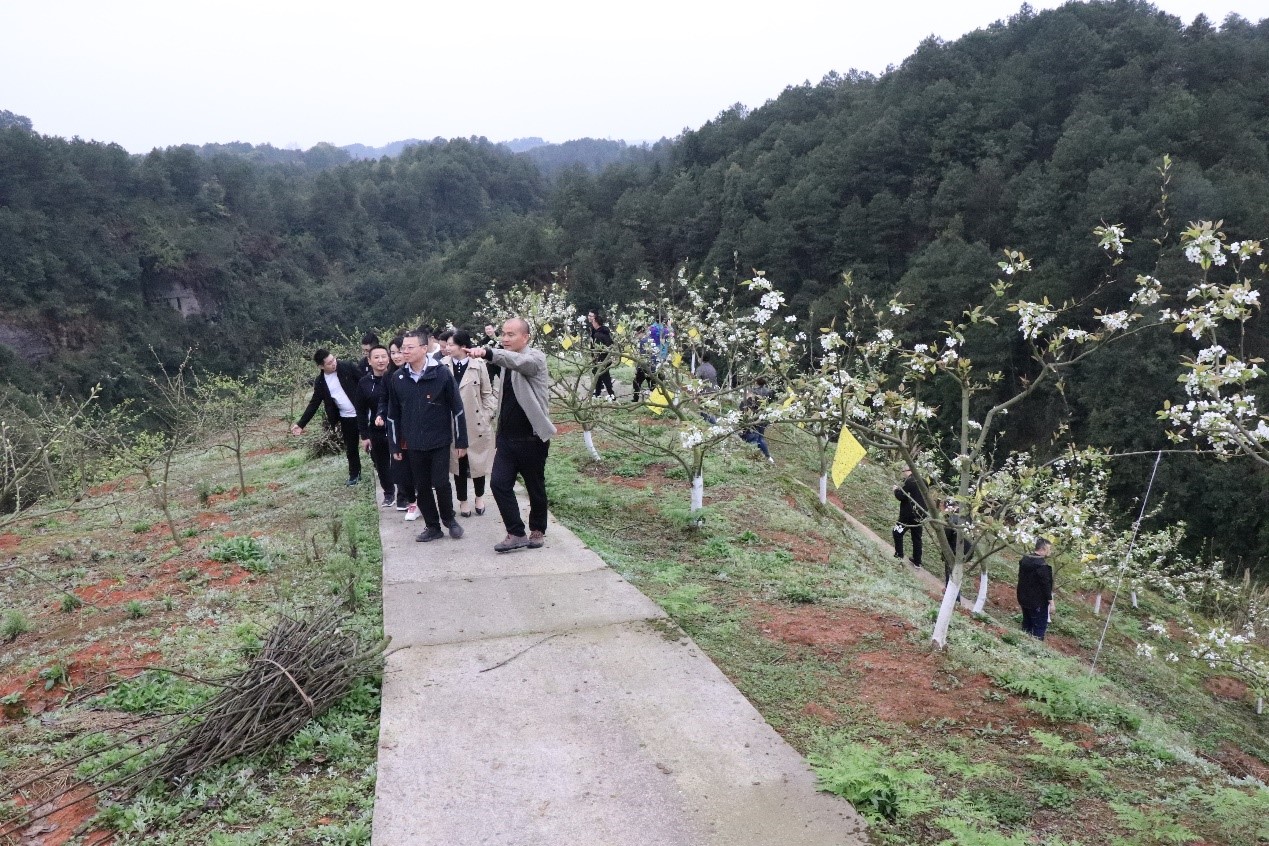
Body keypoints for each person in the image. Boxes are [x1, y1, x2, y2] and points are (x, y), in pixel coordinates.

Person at [469, 318, 556, 553]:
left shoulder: (535, 358)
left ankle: (537, 529)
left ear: (526, 337)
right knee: (498, 484)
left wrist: (488, 352)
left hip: (532, 438)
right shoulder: (506, 362)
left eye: (511, 334)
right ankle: (516, 532)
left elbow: (519, 362)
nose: (505, 339)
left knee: (535, 486)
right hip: (507, 438)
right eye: (503, 334)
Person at [384, 330, 469, 543]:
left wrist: (461, 440)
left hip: (439, 440)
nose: (404, 352)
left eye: (409, 347)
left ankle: (449, 520)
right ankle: (432, 526)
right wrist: (394, 446)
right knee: (421, 486)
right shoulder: (398, 378)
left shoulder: (441, 373)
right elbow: (392, 415)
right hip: (413, 442)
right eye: (403, 348)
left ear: (424, 349)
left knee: (441, 482)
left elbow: (457, 408)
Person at [443, 329, 496, 518]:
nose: (447, 348)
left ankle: (479, 497)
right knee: (459, 463)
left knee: (478, 462)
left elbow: (487, 393)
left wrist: (487, 415)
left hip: (476, 423)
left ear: (463, 346)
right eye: (447, 345)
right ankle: (463, 500)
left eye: (451, 345)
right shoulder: (443, 365)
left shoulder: (479, 365)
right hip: (452, 423)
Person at [291, 348, 363, 485]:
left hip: (363, 413)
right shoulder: (321, 382)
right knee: (351, 448)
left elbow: (364, 382)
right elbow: (314, 403)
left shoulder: (347, 366)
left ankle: (381, 468)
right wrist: (301, 424)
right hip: (346, 417)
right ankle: (355, 474)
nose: (334, 363)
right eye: (329, 363)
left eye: (333, 359)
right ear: (321, 366)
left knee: (373, 443)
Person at [356, 344, 395, 507]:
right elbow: (361, 411)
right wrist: (364, 436)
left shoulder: (396, 377)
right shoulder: (364, 383)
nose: (381, 360)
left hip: (396, 427)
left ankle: (405, 493)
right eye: (376, 357)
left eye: (384, 356)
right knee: (381, 463)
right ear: (369, 361)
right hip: (376, 429)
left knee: (401, 461)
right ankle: (389, 493)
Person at [385, 336, 417, 516]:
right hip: (399, 428)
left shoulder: (417, 373)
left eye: (400, 351)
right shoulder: (391, 376)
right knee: (401, 465)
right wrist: (381, 415)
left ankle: (418, 497)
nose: (397, 356)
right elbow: (386, 402)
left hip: (418, 427)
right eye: (393, 353)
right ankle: (405, 497)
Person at [1016, 538, 1055, 640]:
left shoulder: (1025, 559)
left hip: (1023, 598)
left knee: (1027, 623)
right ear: (1043, 549)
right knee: (1039, 627)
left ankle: (1023, 642)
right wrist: (1051, 603)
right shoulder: (1042, 566)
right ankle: (1035, 645)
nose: (1050, 551)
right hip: (1037, 602)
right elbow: (1046, 586)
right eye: (1049, 549)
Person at [892, 466, 927, 568]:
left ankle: (899, 555)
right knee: (917, 537)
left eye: (904, 471)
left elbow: (901, 496)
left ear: (908, 471)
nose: (903, 474)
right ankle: (917, 561)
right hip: (921, 514)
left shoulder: (910, 481)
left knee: (897, 532)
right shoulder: (923, 481)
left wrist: (895, 490)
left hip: (908, 514)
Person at [738, 377, 774, 462]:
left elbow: (744, 404)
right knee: (760, 438)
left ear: (755, 382)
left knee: (752, 438)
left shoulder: (751, 392)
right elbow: (770, 405)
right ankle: (768, 457)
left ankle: (753, 458)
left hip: (753, 417)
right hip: (763, 418)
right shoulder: (769, 392)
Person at [588, 310, 616, 399]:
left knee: (605, 376)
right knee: (598, 375)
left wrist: (598, 359)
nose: (592, 323)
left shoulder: (598, 334)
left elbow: (599, 349)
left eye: (593, 321)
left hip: (602, 359)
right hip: (606, 357)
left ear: (596, 322)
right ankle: (598, 393)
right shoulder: (604, 331)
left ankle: (612, 395)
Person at [631, 324, 658, 402]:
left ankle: (636, 398)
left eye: (637, 334)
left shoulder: (643, 342)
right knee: (652, 383)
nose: (636, 336)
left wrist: (637, 368)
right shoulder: (651, 339)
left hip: (644, 366)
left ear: (640, 333)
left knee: (636, 382)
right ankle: (654, 399)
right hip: (653, 365)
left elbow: (641, 357)